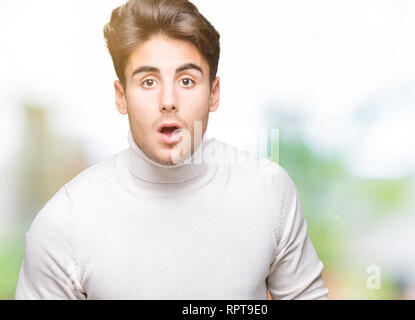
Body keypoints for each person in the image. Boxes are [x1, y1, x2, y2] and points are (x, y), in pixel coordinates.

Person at [15, 0, 329, 300]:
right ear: (121, 96)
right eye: (149, 82)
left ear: (214, 93)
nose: (168, 100)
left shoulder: (269, 191)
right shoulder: (65, 222)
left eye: (187, 80)